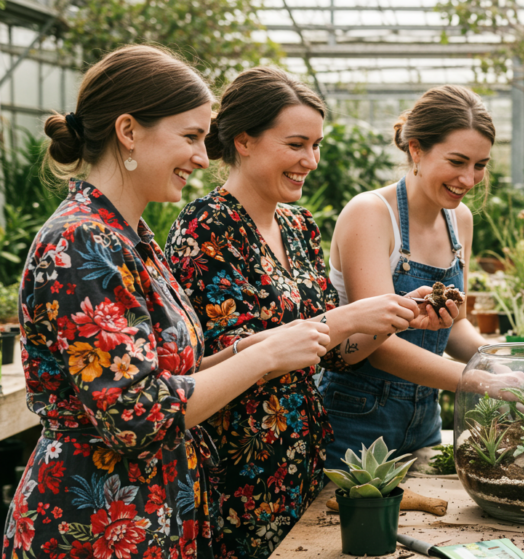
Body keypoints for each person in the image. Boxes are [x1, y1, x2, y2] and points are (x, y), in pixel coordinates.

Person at [2, 46, 329, 559]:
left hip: (158, 514)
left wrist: (255, 349)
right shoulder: (80, 242)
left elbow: (171, 373)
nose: (203, 156)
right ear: (128, 131)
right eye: (191, 136)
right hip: (97, 525)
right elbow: (135, 413)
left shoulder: (131, 236)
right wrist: (265, 357)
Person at [165, 67, 440, 558]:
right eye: (296, 144)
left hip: (304, 462)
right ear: (244, 141)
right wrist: (351, 317)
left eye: (316, 145)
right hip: (241, 469)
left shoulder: (298, 225)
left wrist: (395, 316)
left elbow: (336, 355)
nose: (310, 160)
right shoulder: (207, 225)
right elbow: (239, 357)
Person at [321, 85, 524, 465]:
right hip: (356, 420)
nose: (468, 179)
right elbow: (379, 348)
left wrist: (498, 363)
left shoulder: (458, 220)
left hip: (424, 422)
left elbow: (456, 327)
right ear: (416, 149)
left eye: (480, 165)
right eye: (457, 161)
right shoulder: (370, 213)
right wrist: (480, 381)